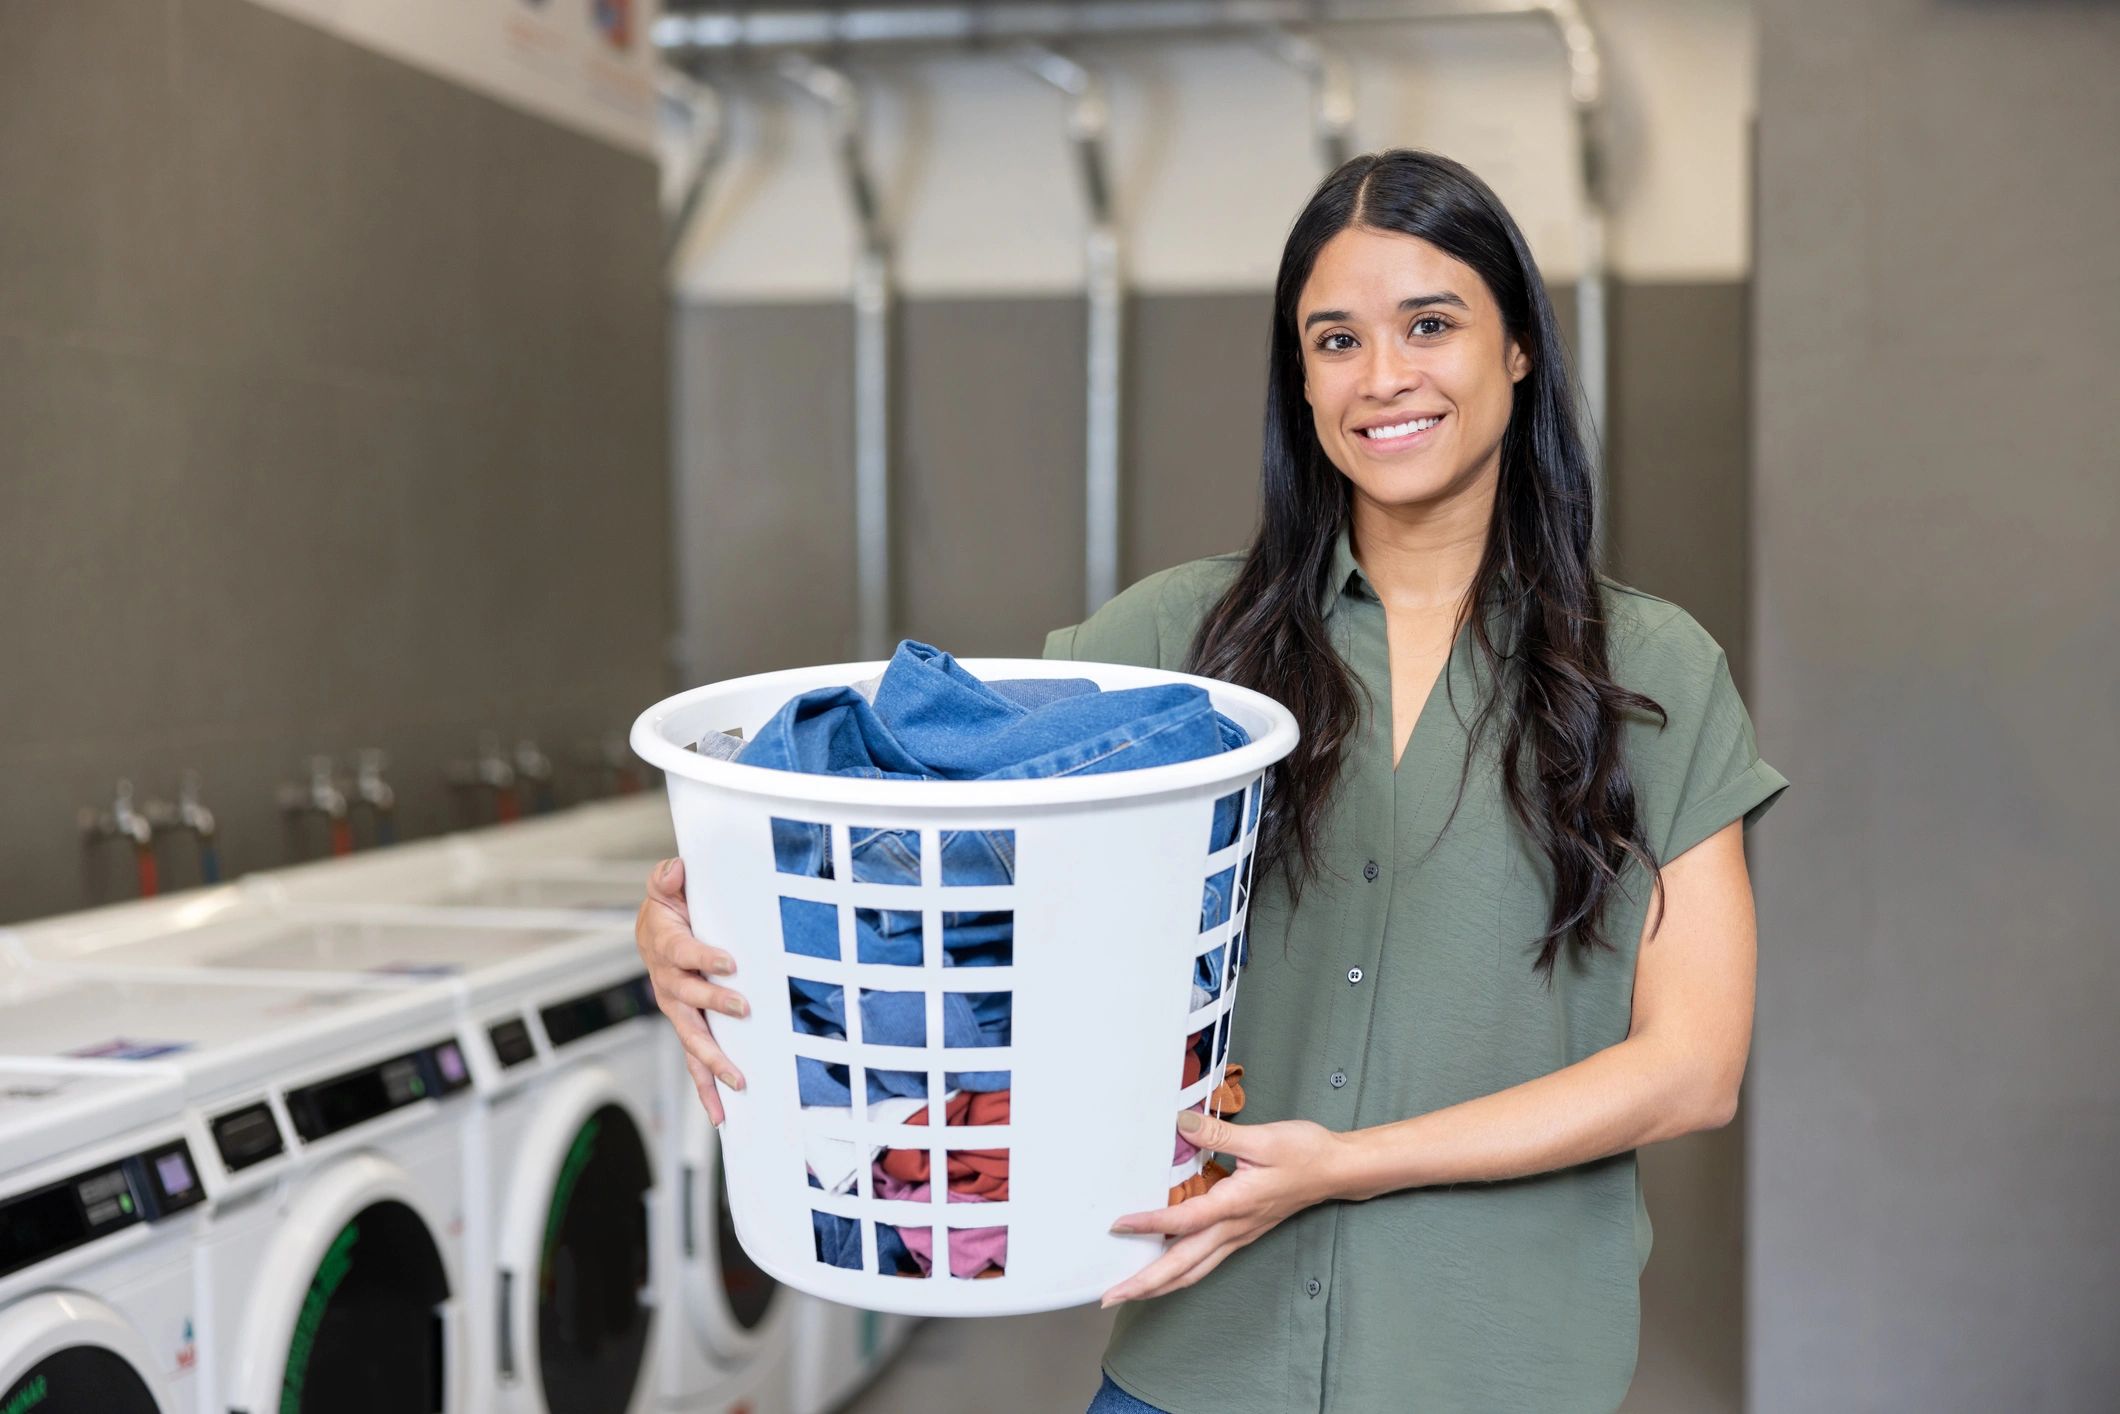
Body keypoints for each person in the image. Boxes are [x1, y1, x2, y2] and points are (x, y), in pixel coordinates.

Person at [634, 148, 1786, 1414]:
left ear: (1516, 347)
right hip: (1201, 1365)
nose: (1383, 375)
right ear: (1299, 381)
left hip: (1494, 1363)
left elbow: (1692, 1066)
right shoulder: (1181, 646)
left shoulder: (1650, 670)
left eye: (1430, 324)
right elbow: (877, 807)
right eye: (1335, 339)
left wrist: (1343, 1165)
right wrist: (693, 914)